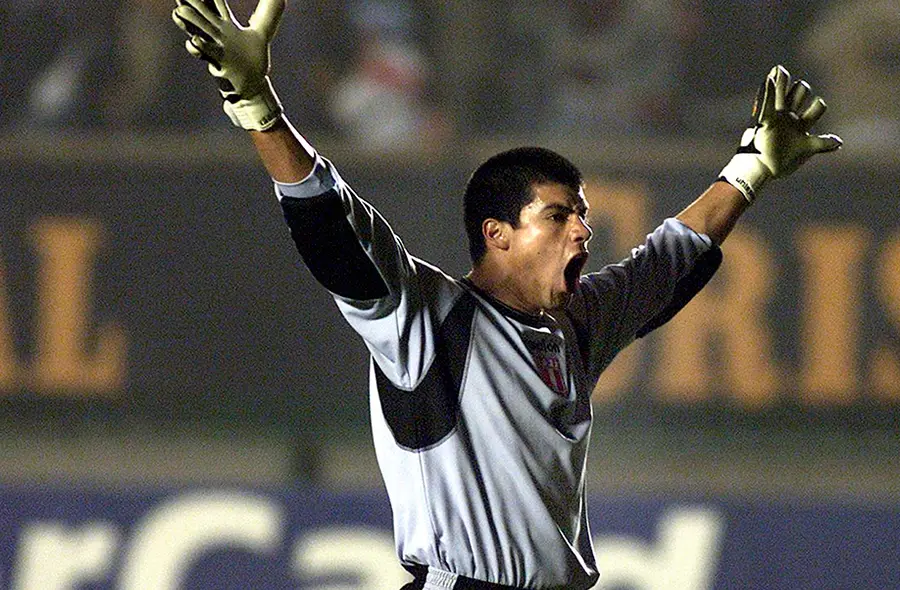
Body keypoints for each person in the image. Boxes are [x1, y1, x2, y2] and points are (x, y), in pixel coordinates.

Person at [170, 0, 842, 588]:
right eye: (557, 216)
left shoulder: (575, 325)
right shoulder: (427, 318)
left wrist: (750, 166)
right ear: (497, 235)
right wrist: (257, 105)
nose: (582, 230)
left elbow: (667, 261)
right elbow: (334, 228)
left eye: (580, 214)